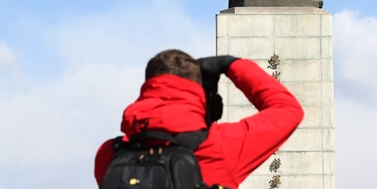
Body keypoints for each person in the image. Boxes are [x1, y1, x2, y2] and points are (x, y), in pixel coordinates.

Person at [94, 49, 304, 189]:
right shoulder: (219, 147)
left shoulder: (109, 153)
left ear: (148, 84)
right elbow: (288, 110)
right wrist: (232, 65)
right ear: (198, 89)